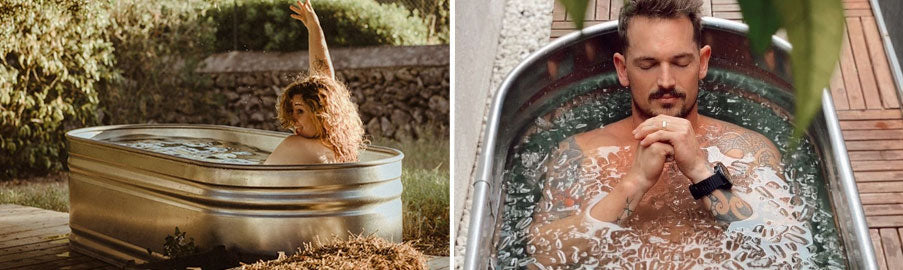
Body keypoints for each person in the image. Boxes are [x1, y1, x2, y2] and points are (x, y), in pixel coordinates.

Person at [528, 0, 807, 268]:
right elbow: (542, 258)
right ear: (623, 70)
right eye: (647, 65)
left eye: (681, 62)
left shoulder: (747, 149)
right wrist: (633, 183)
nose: (666, 81)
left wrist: (703, 173)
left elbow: (791, 253)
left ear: (703, 62)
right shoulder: (582, 153)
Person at [264, 0, 365, 164]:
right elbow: (325, 79)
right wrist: (314, 28)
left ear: (320, 112)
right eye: (292, 111)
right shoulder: (339, 150)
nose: (292, 119)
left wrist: (314, 28)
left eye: (300, 111)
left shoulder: (296, 145)